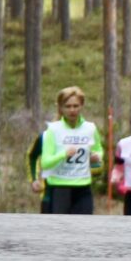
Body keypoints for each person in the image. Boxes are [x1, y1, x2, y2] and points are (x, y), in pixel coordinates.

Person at [30, 86, 104, 215]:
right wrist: (64, 154)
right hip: (60, 187)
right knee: (61, 230)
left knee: (84, 229)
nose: (72, 110)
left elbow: (98, 149)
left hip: (83, 186)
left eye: (76, 106)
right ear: (60, 108)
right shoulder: (52, 130)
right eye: (68, 106)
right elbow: (45, 162)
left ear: (82, 106)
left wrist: (97, 157)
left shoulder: (90, 128)